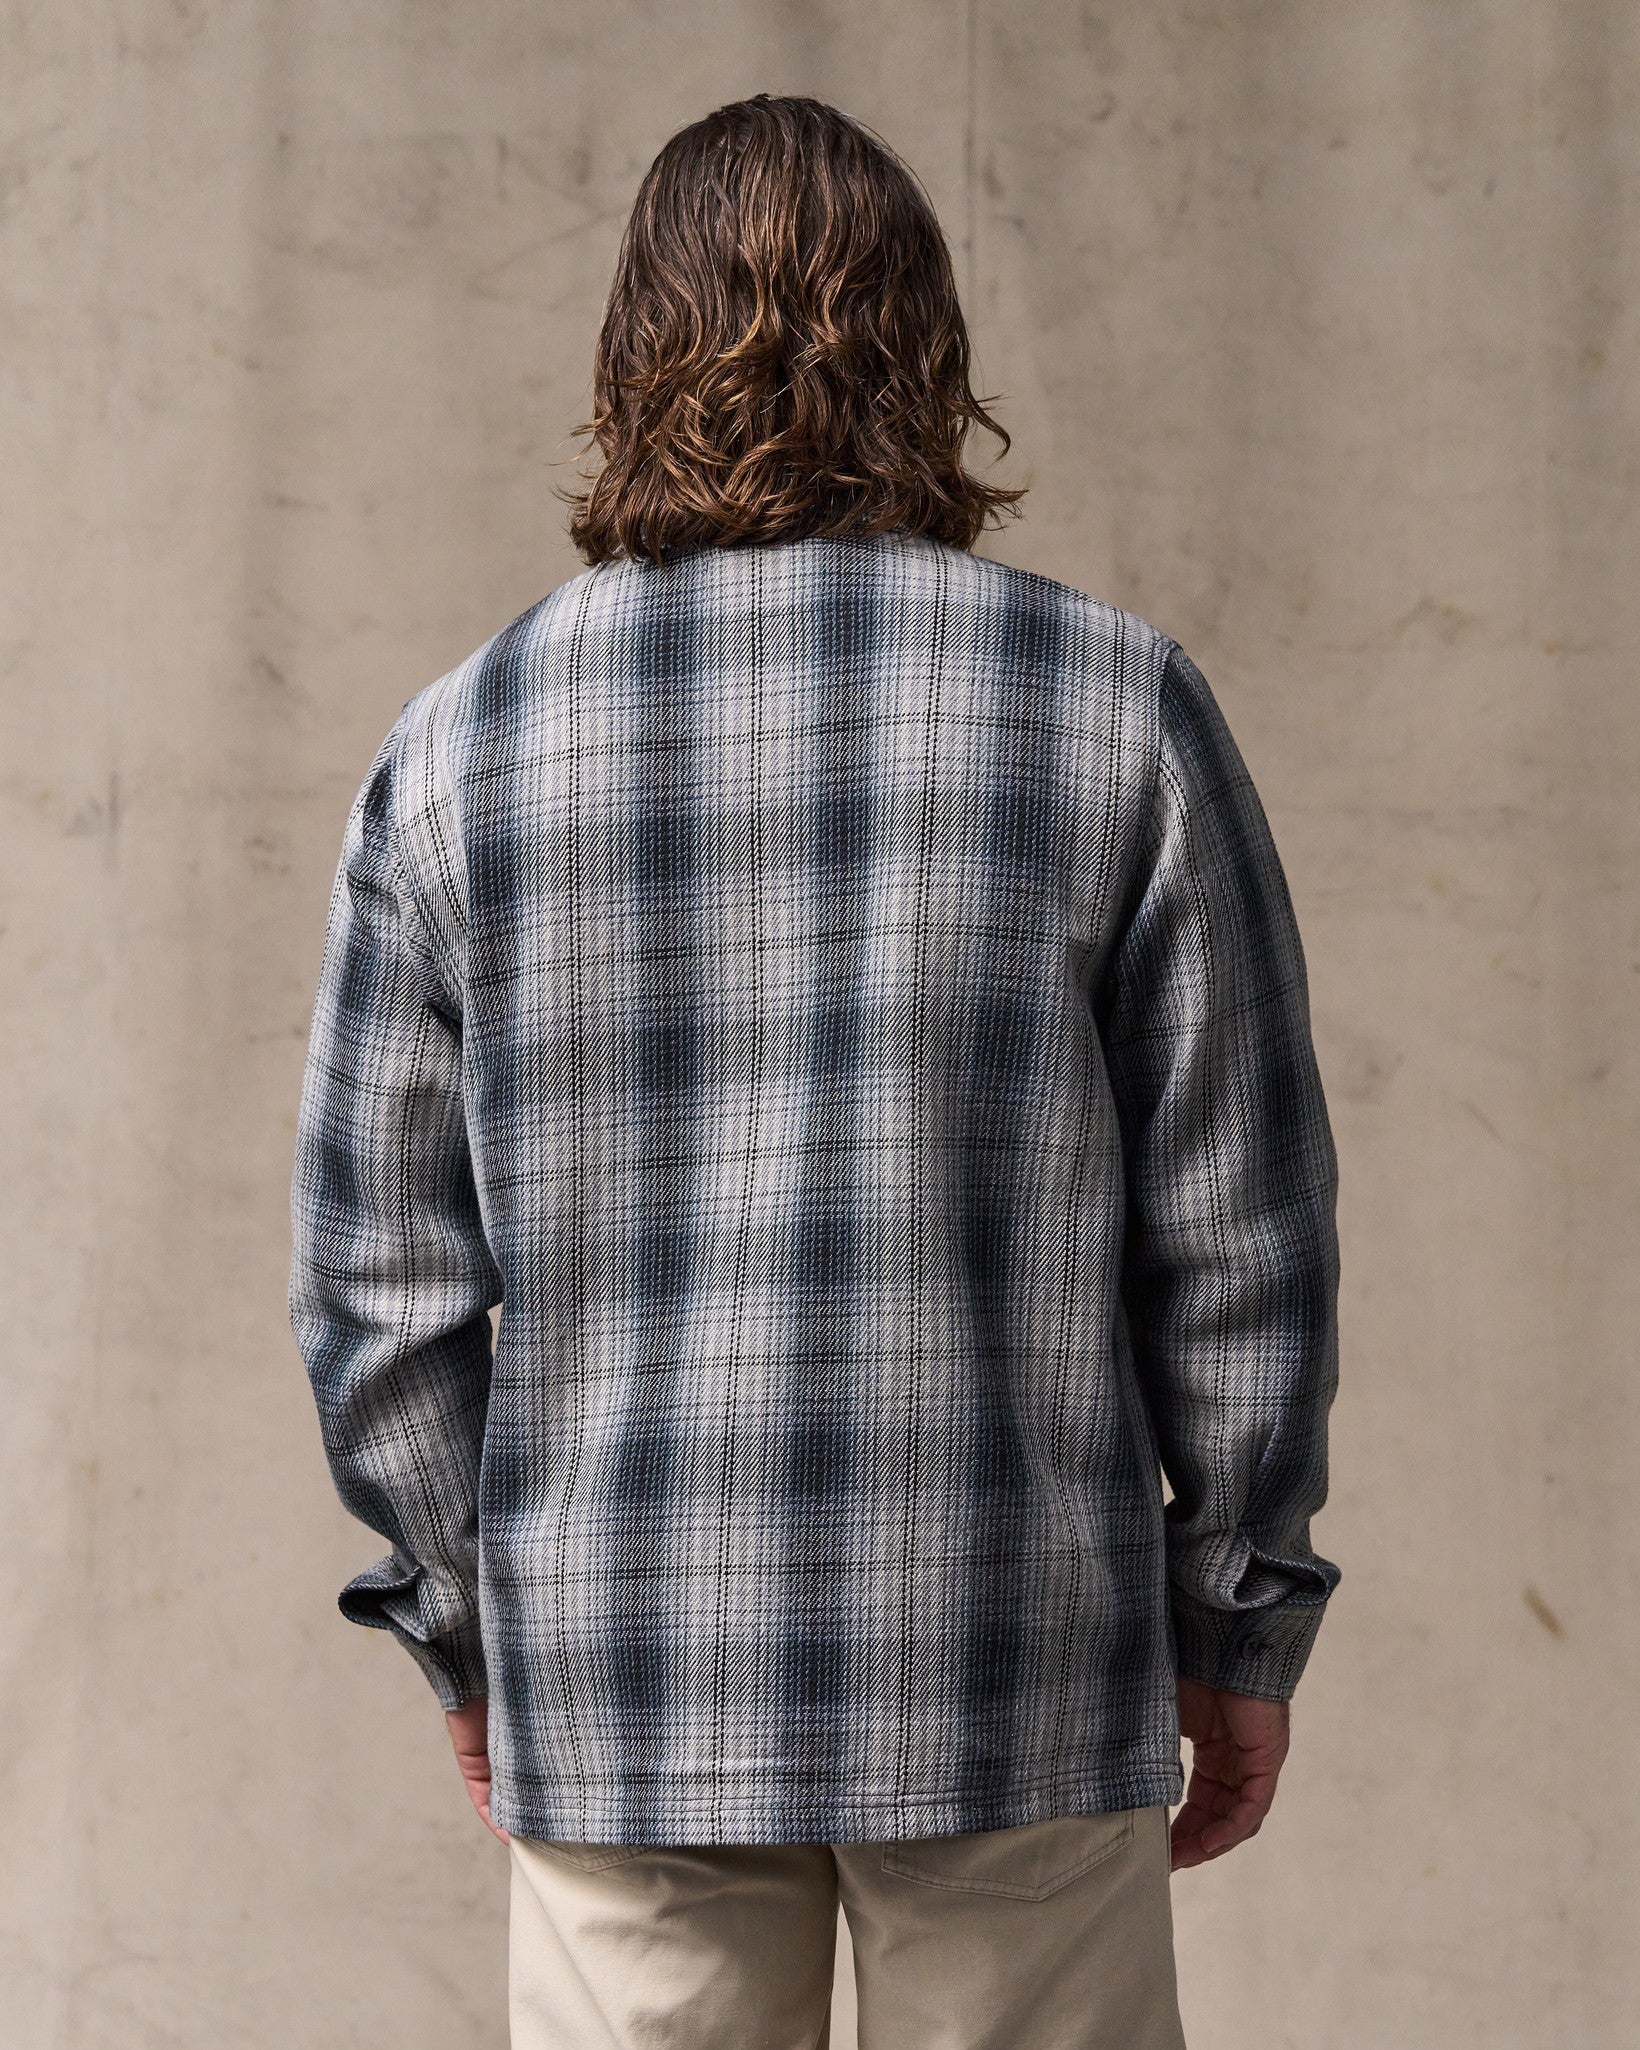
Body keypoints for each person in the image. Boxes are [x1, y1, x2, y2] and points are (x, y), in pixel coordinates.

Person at [288, 92, 1341, 2050]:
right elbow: (1241, 1236)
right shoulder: (1113, 711)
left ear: (632, 353)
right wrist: (1237, 1613)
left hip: (627, 1677)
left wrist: (464, 1626)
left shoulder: (457, 750)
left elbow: (377, 1291)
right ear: (932, 354)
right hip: (1015, 1665)